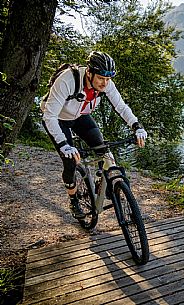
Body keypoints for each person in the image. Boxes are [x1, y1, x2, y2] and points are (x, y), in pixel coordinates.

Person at [41, 51, 147, 219]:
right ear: (89, 73)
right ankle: (74, 200)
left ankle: (102, 183)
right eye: (101, 79)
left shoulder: (106, 83)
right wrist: (64, 145)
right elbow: (49, 116)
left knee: (105, 151)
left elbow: (121, 106)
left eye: (108, 79)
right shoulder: (68, 80)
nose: (105, 83)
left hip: (81, 117)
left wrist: (136, 126)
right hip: (58, 119)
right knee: (70, 161)